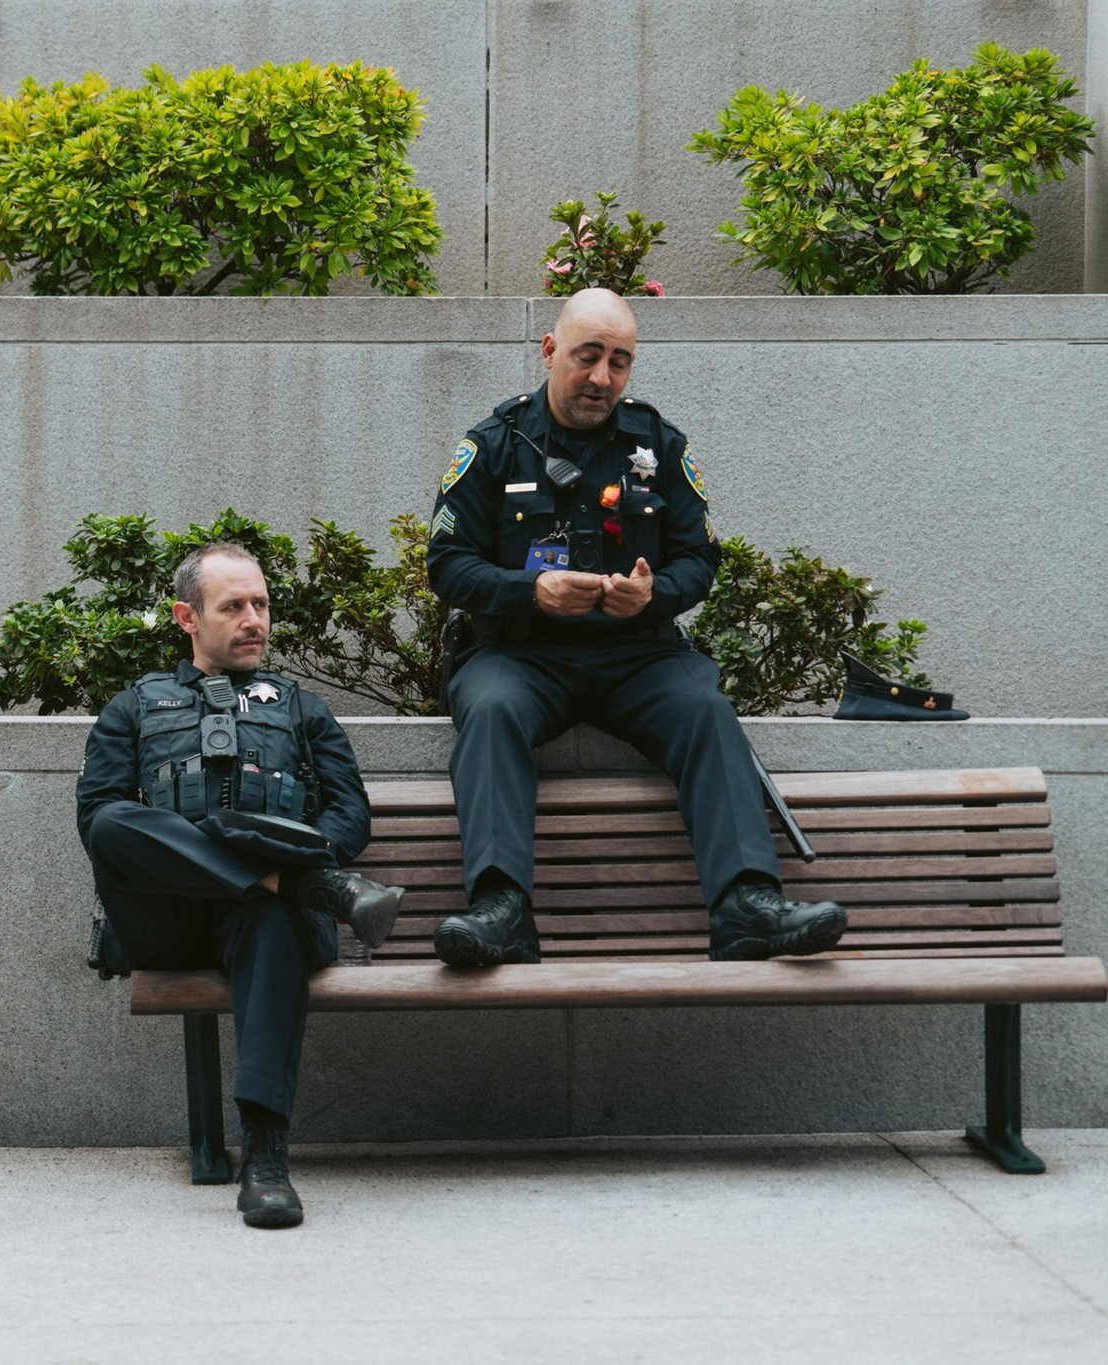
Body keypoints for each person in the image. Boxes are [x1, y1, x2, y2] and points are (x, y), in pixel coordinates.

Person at [424, 288, 843, 967]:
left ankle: (747, 908)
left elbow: (700, 561)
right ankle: (501, 910)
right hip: (521, 656)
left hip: (636, 655)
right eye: (589, 357)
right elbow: (446, 566)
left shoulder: (660, 444)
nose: (603, 378)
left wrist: (652, 597)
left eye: (620, 362)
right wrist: (531, 590)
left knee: (705, 707)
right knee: (492, 709)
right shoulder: (493, 446)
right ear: (550, 350)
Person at [76, 542, 403, 1230]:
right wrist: (281, 869)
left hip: (265, 926)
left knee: (269, 916)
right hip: (168, 922)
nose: (254, 618)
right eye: (234, 606)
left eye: (261, 604)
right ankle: (303, 884)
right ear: (186, 617)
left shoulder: (301, 709)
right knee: (113, 824)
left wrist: (299, 847)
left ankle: (265, 1154)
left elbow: (350, 813)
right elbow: (97, 820)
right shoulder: (133, 707)